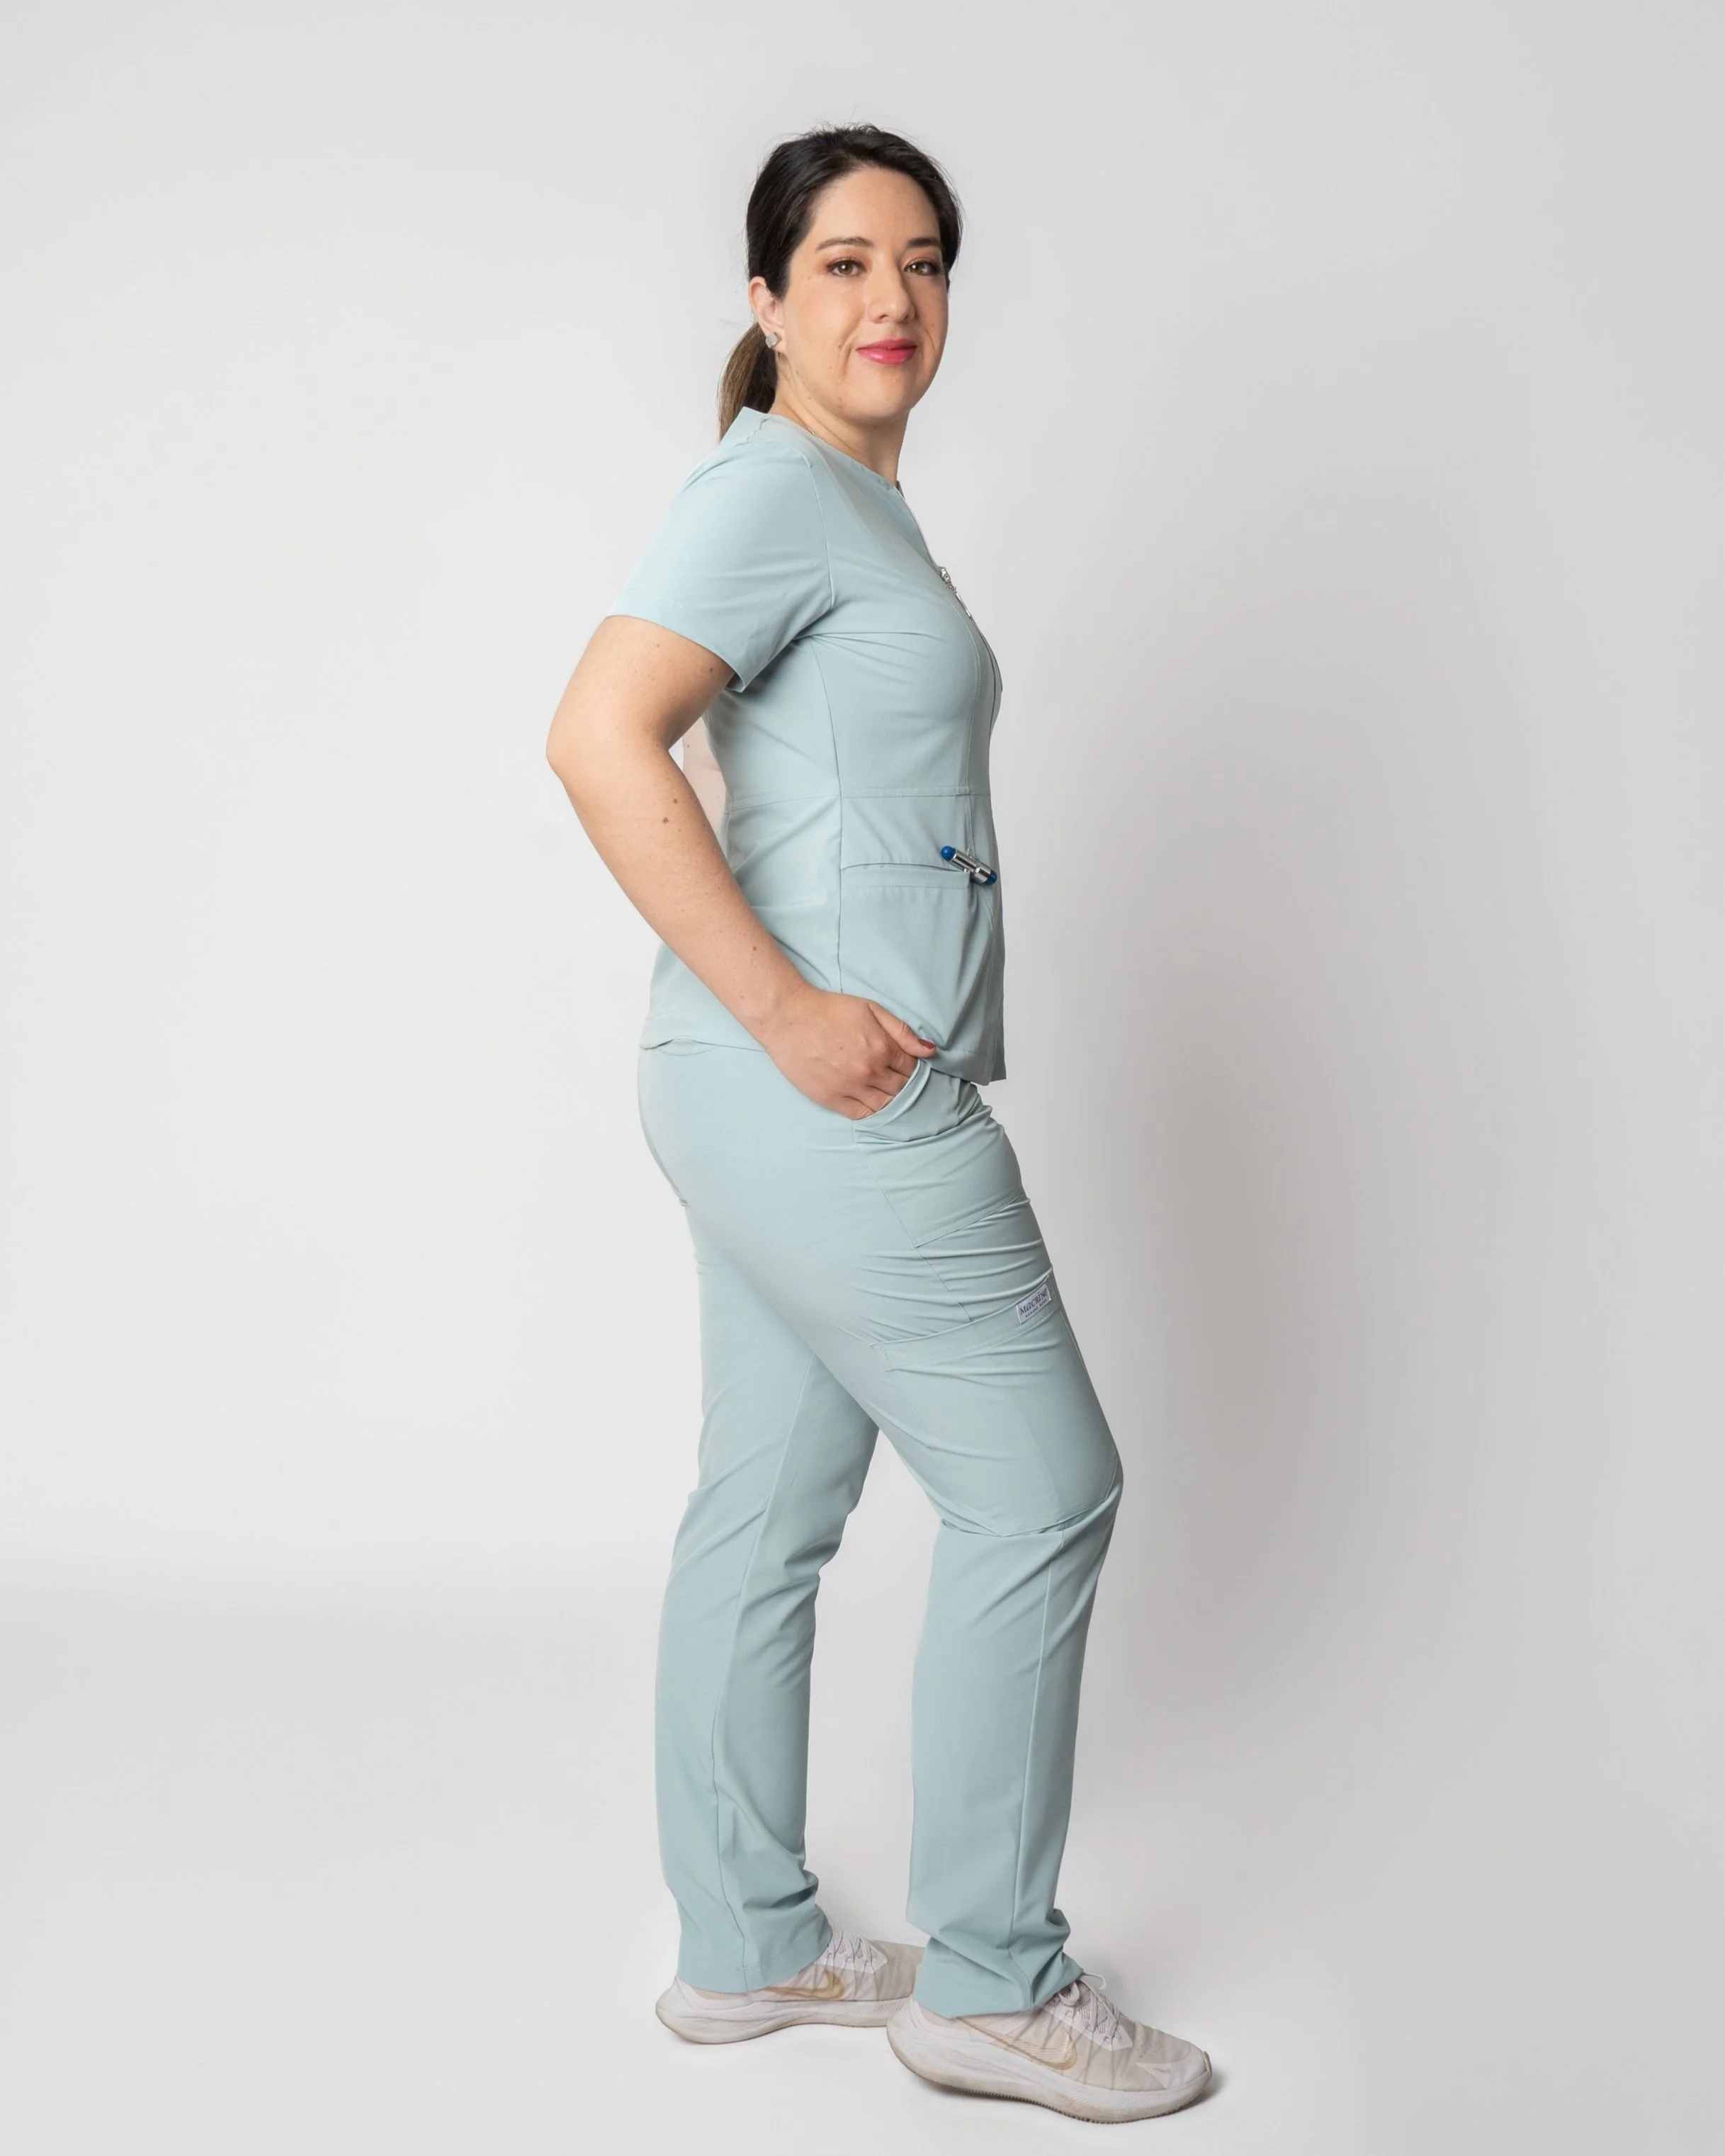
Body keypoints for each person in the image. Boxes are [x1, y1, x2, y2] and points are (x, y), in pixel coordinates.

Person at [545, 123, 1211, 2126]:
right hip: (823, 1091)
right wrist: (790, 1007)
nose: (891, 298)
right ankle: (993, 1984)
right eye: (842, 263)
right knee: (1047, 1490)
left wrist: (764, 1008)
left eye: (922, 261)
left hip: (743, 1092)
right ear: (767, 301)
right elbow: (598, 734)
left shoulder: (842, 504)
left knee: (766, 1506)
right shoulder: (773, 490)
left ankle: (746, 1943)